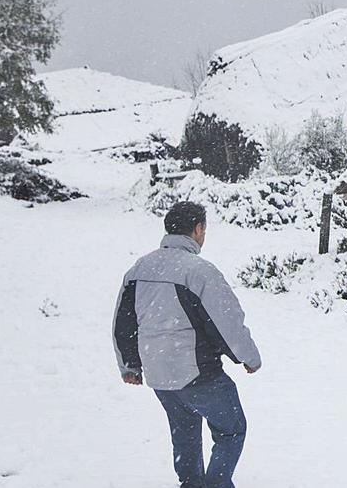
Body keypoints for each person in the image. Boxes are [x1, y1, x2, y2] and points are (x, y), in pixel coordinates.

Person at [113, 201, 262, 488]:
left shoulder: (138, 269)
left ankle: (191, 483)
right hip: (198, 372)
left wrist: (130, 365)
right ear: (198, 229)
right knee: (231, 430)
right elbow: (227, 321)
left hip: (159, 374)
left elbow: (123, 323)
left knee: (184, 430)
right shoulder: (198, 271)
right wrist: (248, 357)